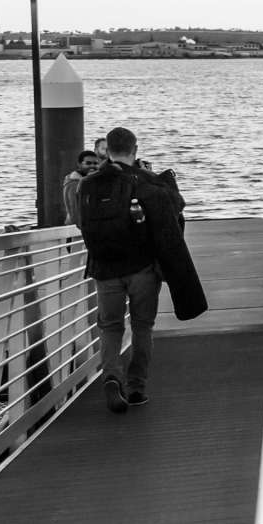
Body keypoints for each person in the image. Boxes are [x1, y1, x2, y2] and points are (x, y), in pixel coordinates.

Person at [75, 127, 183, 413]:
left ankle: (112, 376)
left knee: (110, 327)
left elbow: (79, 220)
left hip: (104, 268)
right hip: (142, 268)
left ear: (106, 150)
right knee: (142, 327)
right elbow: (176, 207)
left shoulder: (87, 184)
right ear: (135, 149)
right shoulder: (144, 179)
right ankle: (136, 388)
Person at [60, 148, 102, 225]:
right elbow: (75, 212)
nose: (92, 166)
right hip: (77, 230)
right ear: (79, 164)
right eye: (88, 163)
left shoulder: (89, 182)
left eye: (95, 163)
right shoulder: (74, 184)